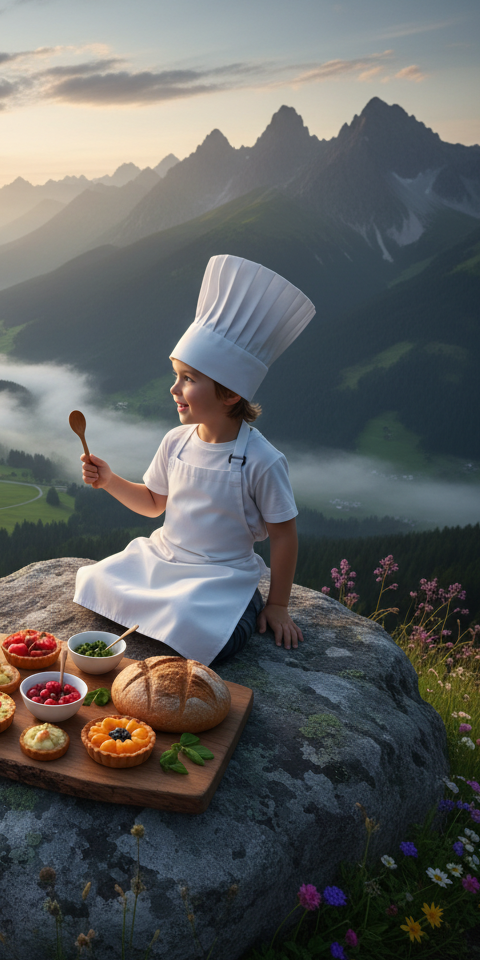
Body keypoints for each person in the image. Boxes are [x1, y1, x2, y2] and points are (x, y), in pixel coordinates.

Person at [73, 254, 314, 664]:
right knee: (94, 580)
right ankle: (171, 611)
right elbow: (153, 504)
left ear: (231, 392)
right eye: (176, 375)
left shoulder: (262, 460)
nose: (174, 388)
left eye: (188, 378)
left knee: (195, 624)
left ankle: (239, 611)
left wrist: (278, 604)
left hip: (220, 576)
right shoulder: (176, 441)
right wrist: (110, 480)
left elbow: (284, 535)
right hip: (164, 557)